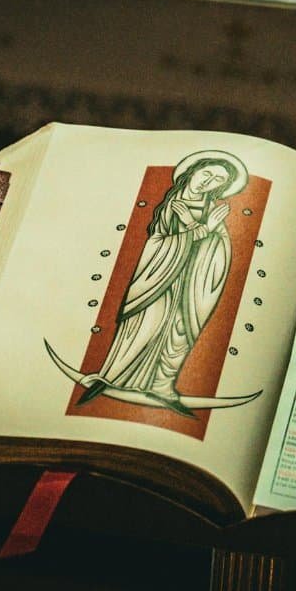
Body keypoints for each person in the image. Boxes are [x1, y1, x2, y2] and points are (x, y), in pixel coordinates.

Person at [77, 151, 248, 416]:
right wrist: (202, 228)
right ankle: (113, 377)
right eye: (207, 173)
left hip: (193, 284)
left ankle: (162, 387)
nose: (209, 182)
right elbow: (162, 243)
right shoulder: (174, 204)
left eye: (218, 180)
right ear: (193, 171)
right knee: (147, 325)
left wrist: (210, 232)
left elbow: (219, 248)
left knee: (179, 333)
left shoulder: (212, 210)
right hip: (158, 281)